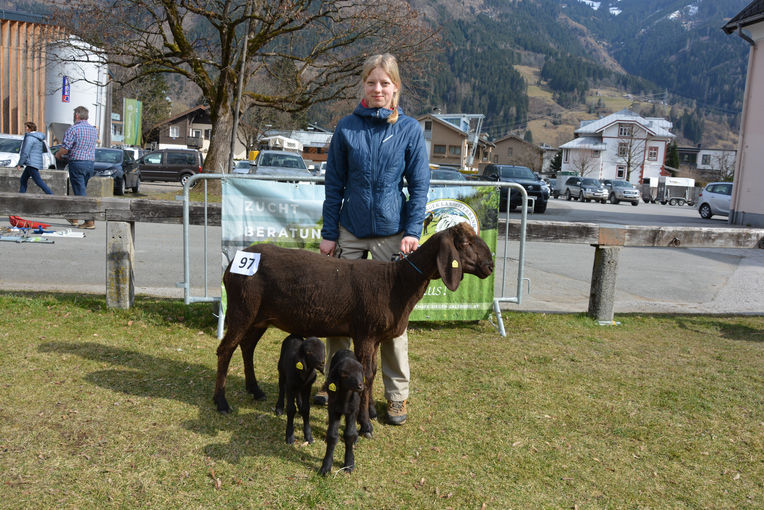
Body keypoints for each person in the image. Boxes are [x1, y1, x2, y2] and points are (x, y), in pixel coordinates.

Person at [317, 53, 430, 426]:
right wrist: (330, 235)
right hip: (349, 230)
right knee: (336, 312)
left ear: (396, 87)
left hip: (392, 235)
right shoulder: (346, 128)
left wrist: (413, 231)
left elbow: (419, 187)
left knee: (392, 321)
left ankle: (396, 396)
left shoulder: (410, 130)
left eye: (385, 83)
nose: (378, 88)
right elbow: (334, 186)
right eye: (371, 82)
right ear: (363, 86)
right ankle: (336, 381)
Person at [56, 106, 98, 229]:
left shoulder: (73, 129)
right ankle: (74, 216)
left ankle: (89, 220)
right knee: (81, 189)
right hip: (90, 163)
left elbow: (65, 148)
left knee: (79, 192)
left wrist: (58, 154)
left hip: (77, 162)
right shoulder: (93, 130)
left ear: (76, 116)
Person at [17, 121, 53, 195]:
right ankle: (21, 195)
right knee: (23, 179)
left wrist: (20, 163)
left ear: (30, 128)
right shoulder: (38, 138)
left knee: (38, 181)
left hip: (31, 163)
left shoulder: (30, 138)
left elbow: (25, 152)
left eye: (26, 127)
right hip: (34, 162)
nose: (25, 128)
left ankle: (51, 194)